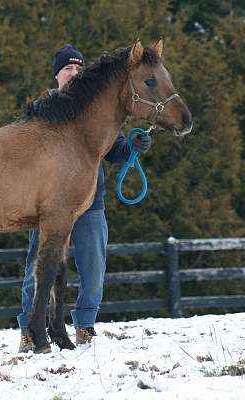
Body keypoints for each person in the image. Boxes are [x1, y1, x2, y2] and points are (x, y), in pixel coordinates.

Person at [17, 44, 152, 352]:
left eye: (79, 69)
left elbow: (116, 151)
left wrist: (133, 148)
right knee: (36, 269)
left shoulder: (96, 114)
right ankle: (27, 329)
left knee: (93, 269)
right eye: (68, 68)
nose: (74, 73)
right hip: (48, 204)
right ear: (56, 75)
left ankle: (84, 325)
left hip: (89, 204)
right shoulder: (42, 109)